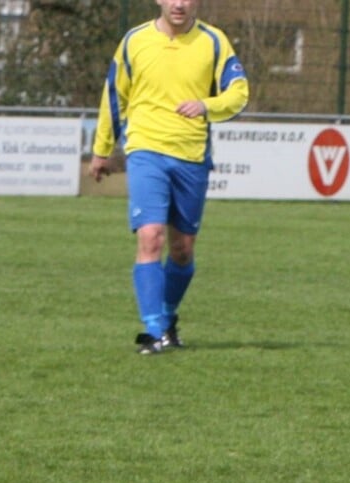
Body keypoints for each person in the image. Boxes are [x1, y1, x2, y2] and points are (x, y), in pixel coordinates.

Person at [89, 0, 249, 355]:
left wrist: (207, 105)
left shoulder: (215, 42)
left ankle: (167, 316)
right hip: (145, 150)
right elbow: (115, 97)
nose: (179, 3)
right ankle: (154, 331)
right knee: (151, 237)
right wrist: (102, 149)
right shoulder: (134, 41)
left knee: (182, 249)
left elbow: (239, 93)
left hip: (191, 156)